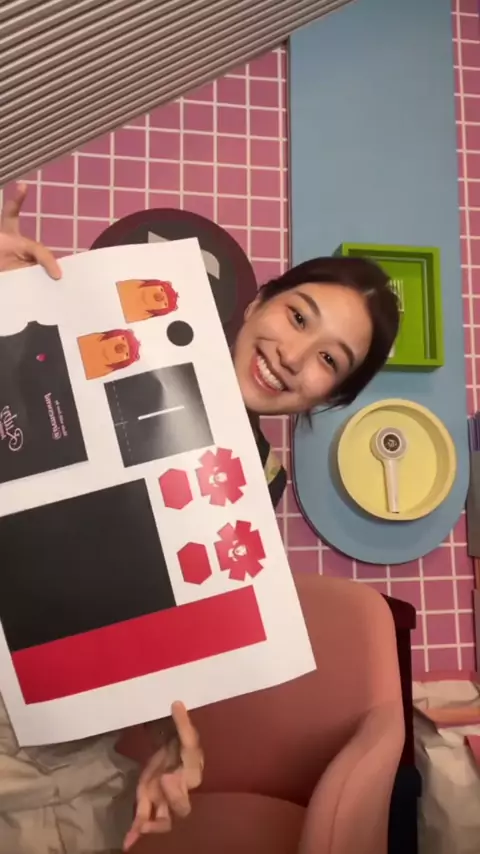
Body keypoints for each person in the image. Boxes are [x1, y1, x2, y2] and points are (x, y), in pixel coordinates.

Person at [0, 183, 399, 852]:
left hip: (45, 756)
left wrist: (169, 741)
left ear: (330, 398)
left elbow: (153, 635)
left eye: (330, 360)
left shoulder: (254, 485)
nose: (294, 356)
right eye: (298, 317)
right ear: (259, 301)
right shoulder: (108, 327)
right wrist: (8, 306)